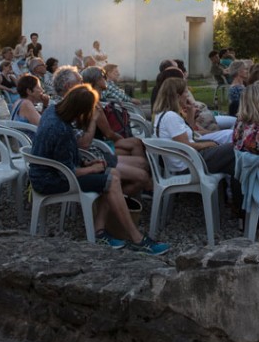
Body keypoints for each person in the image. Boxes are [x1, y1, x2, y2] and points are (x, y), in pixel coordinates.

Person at [28, 84, 169, 254]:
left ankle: (100, 232)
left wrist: (87, 164)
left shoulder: (53, 111)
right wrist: (92, 169)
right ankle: (137, 238)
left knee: (111, 175)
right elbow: (66, 172)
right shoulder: (60, 129)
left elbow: (62, 156)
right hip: (50, 180)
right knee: (111, 179)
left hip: (51, 172)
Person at [152, 76, 235, 176]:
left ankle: (232, 188)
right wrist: (210, 144)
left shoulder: (163, 115)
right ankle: (234, 189)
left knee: (232, 157)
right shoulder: (170, 117)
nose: (188, 96)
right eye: (186, 92)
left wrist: (191, 113)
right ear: (178, 97)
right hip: (188, 165)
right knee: (233, 149)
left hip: (189, 160)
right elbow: (186, 145)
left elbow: (188, 136)